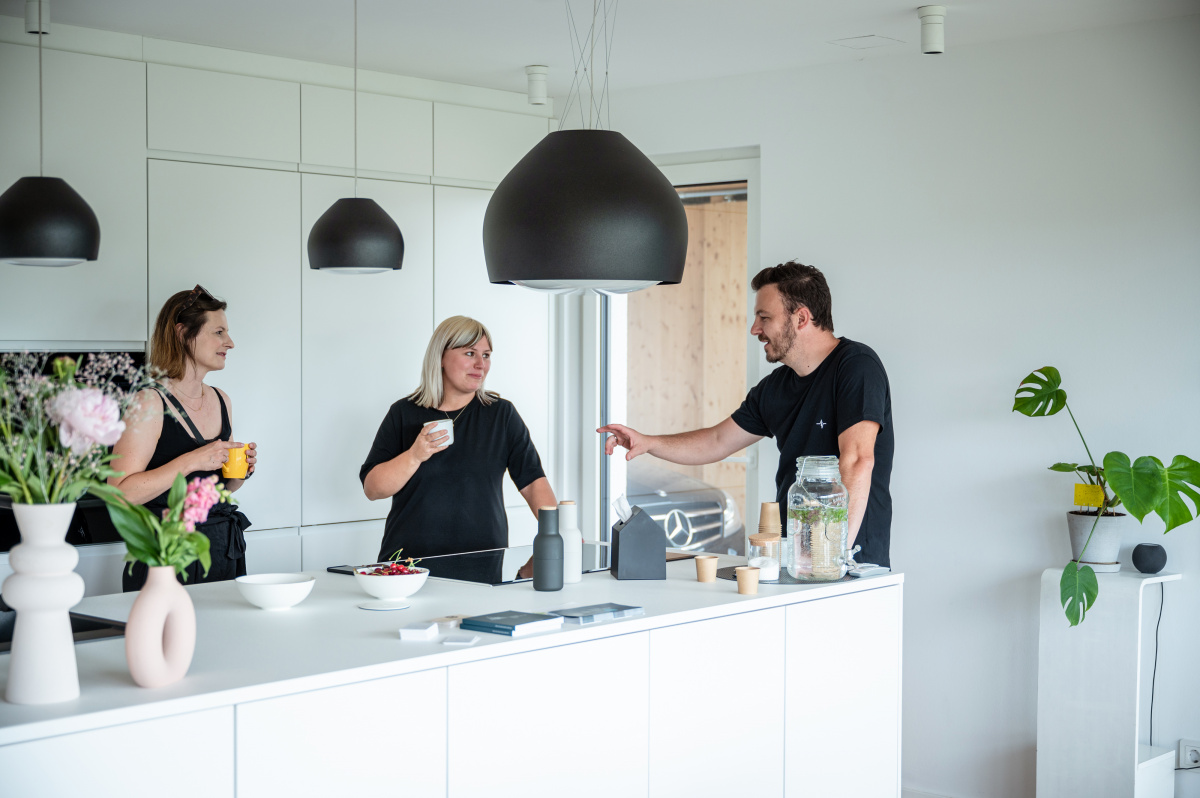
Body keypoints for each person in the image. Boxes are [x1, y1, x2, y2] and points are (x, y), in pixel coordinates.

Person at [599, 261, 894, 567]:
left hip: (851, 565)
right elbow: (716, 440)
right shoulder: (774, 388)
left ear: (801, 318)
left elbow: (857, 460)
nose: (755, 329)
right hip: (794, 561)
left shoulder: (856, 367)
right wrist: (648, 442)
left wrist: (831, 559)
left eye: (764, 318)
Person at [360, 316, 557, 563]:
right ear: (441, 357)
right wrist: (414, 456)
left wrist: (559, 533)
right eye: (470, 353)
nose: (480, 364)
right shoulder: (403, 413)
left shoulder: (501, 415)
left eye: (486, 355)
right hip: (409, 567)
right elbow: (373, 489)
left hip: (482, 562)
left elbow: (533, 483)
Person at [110, 285, 256, 590]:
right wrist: (191, 461)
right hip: (165, 556)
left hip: (221, 550)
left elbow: (221, 490)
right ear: (182, 333)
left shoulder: (221, 399)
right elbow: (119, 494)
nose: (230, 342)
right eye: (219, 332)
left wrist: (239, 471)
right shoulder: (149, 402)